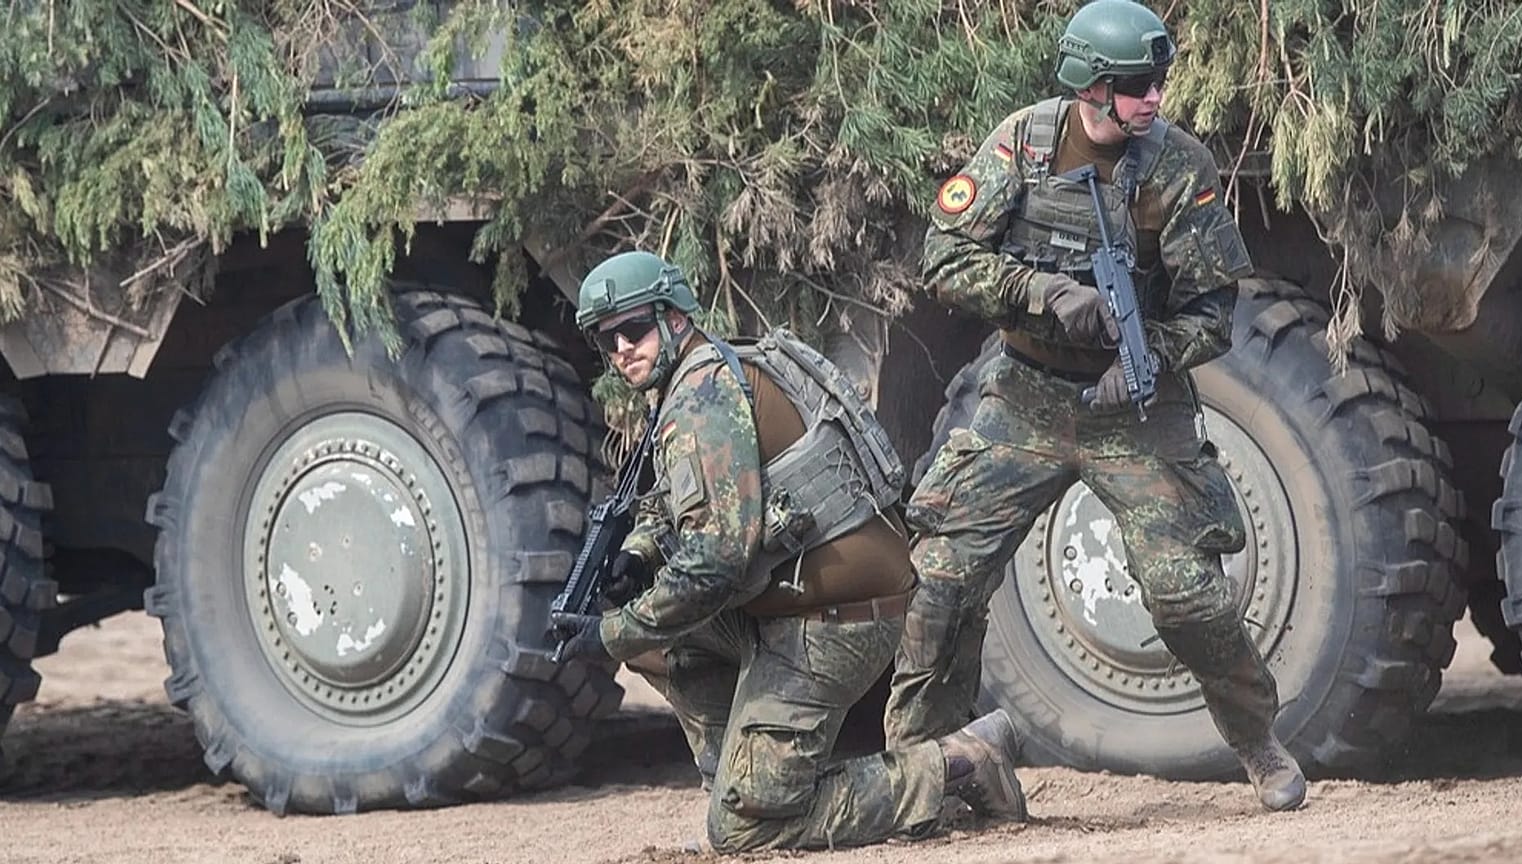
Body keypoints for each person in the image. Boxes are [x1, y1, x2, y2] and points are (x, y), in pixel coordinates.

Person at [883, 0, 1306, 813]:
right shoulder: (1024, 145)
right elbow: (943, 257)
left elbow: (1212, 312)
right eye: (1138, 85)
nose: (1155, 98)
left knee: (1186, 594)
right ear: (1091, 86)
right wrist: (1039, 292)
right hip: (1026, 398)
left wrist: (1146, 359)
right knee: (940, 576)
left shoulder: (1178, 166)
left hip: (1137, 411)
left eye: (1160, 83)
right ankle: (920, 768)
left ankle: (1258, 740)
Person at [550, 250, 1028, 852]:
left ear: (673, 317)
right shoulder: (699, 377)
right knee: (660, 638)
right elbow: (676, 503)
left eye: (634, 328)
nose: (621, 349)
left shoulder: (702, 397)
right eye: (606, 339)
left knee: (744, 830)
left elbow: (715, 563)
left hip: (832, 619)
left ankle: (956, 764)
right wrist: (640, 555)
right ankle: (741, 780)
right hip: (795, 600)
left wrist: (611, 634)